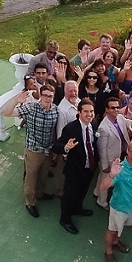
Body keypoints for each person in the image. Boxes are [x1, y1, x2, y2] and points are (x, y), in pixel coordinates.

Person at [2, 84, 59, 218]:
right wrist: (16, 100)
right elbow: (7, 113)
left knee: (43, 175)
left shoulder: (55, 110)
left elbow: (55, 131)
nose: (47, 98)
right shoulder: (31, 108)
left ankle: (39, 193)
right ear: (41, 96)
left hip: (48, 150)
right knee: (31, 177)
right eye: (45, 95)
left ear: (53, 97)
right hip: (33, 150)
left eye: (50, 96)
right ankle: (30, 203)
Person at [51, 99, 99, 235]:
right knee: (69, 195)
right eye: (86, 112)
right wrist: (66, 147)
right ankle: (65, 219)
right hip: (75, 168)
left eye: (91, 111)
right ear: (79, 113)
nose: (89, 114)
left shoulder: (94, 124)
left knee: (83, 191)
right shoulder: (71, 128)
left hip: (89, 167)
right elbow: (57, 145)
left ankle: (77, 208)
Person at [101, 141, 132, 262]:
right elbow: (103, 186)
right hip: (119, 208)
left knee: (119, 228)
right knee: (112, 230)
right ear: (128, 152)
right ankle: (109, 251)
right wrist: (111, 175)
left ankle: (116, 242)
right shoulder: (119, 169)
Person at [94, 97, 132, 210]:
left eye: (117, 107)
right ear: (107, 109)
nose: (116, 110)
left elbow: (131, 123)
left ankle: (96, 192)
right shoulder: (103, 128)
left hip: (119, 154)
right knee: (106, 178)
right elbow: (101, 149)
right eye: (113, 108)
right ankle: (102, 201)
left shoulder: (120, 118)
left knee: (102, 177)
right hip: (109, 158)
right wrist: (105, 165)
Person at [50, 81, 81, 198]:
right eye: (70, 91)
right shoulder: (62, 110)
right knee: (61, 169)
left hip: (76, 144)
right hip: (67, 146)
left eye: (75, 91)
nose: (73, 93)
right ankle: (59, 190)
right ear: (64, 92)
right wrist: (63, 151)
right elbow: (60, 132)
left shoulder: (78, 101)